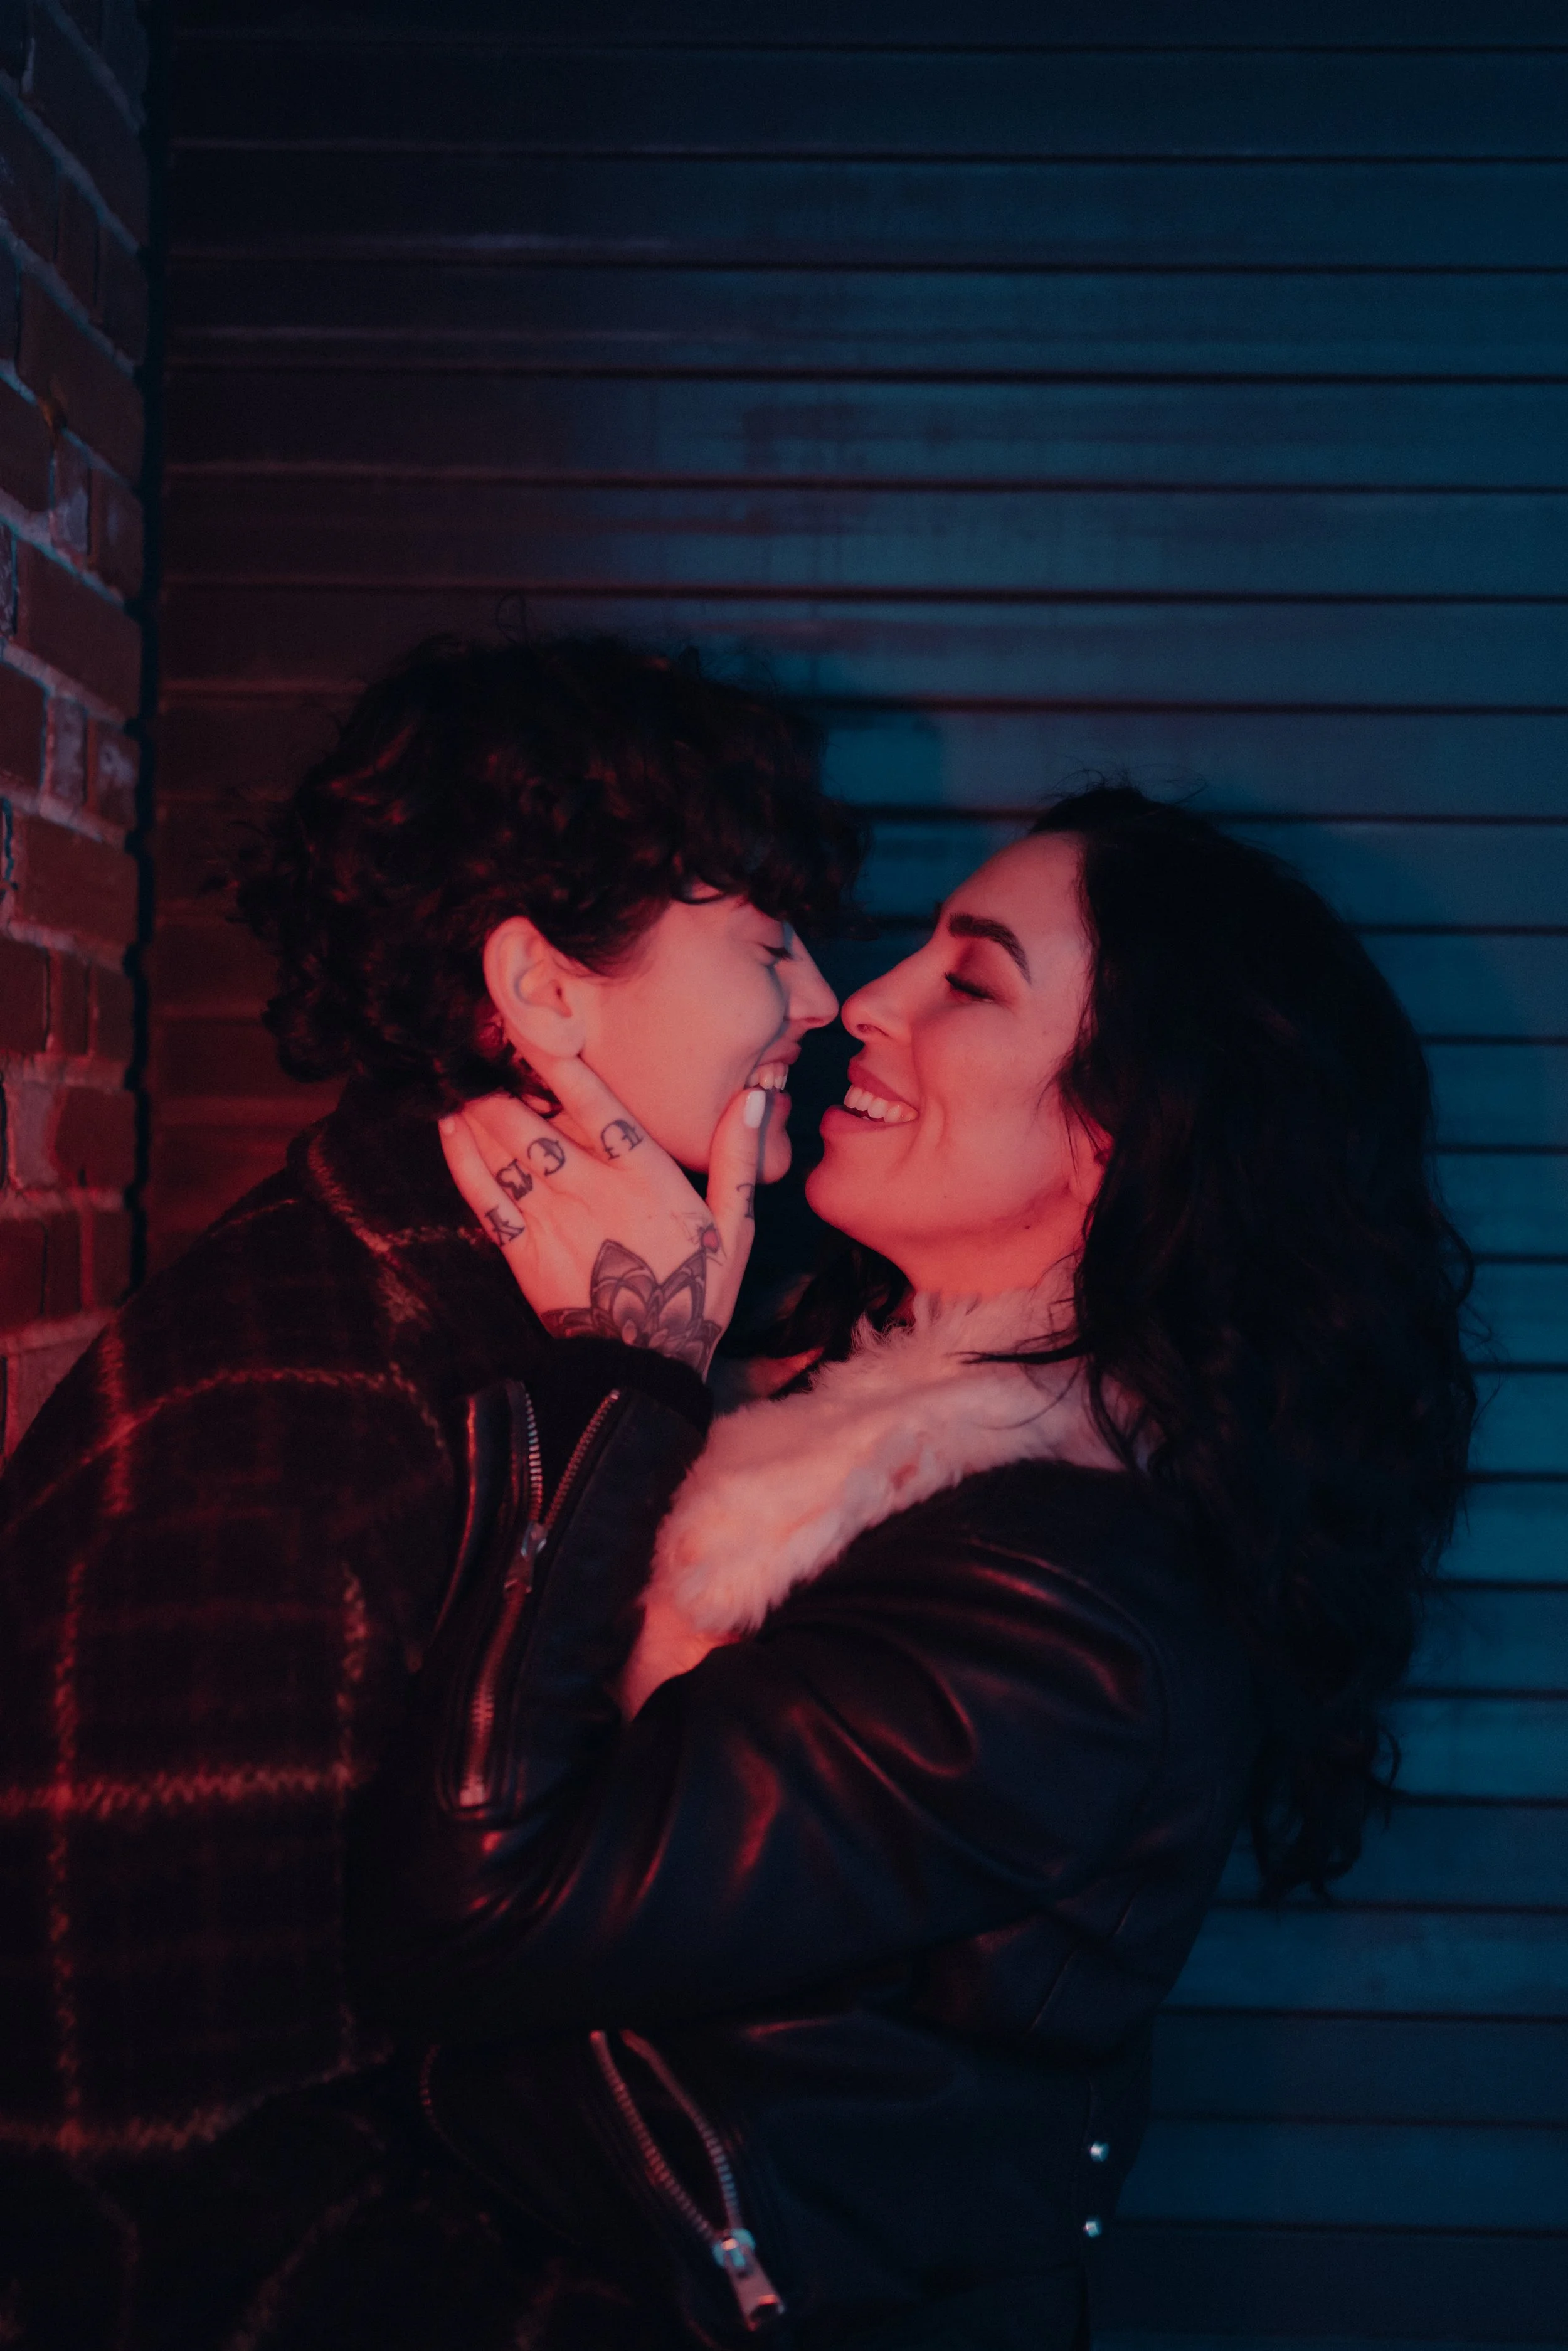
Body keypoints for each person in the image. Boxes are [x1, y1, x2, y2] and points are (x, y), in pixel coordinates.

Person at [355, 787, 1477, 2351]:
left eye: (969, 980)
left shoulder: (1063, 1615)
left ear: (1115, 1133)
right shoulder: (854, 1412)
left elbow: (480, 1912)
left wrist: (624, 1374)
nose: (859, 1001)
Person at [0, 634, 853, 2348]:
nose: (829, 997)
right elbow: (168, 2208)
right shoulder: (273, 1436)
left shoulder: (528, 1330)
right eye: (767, 941)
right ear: (541, 989)